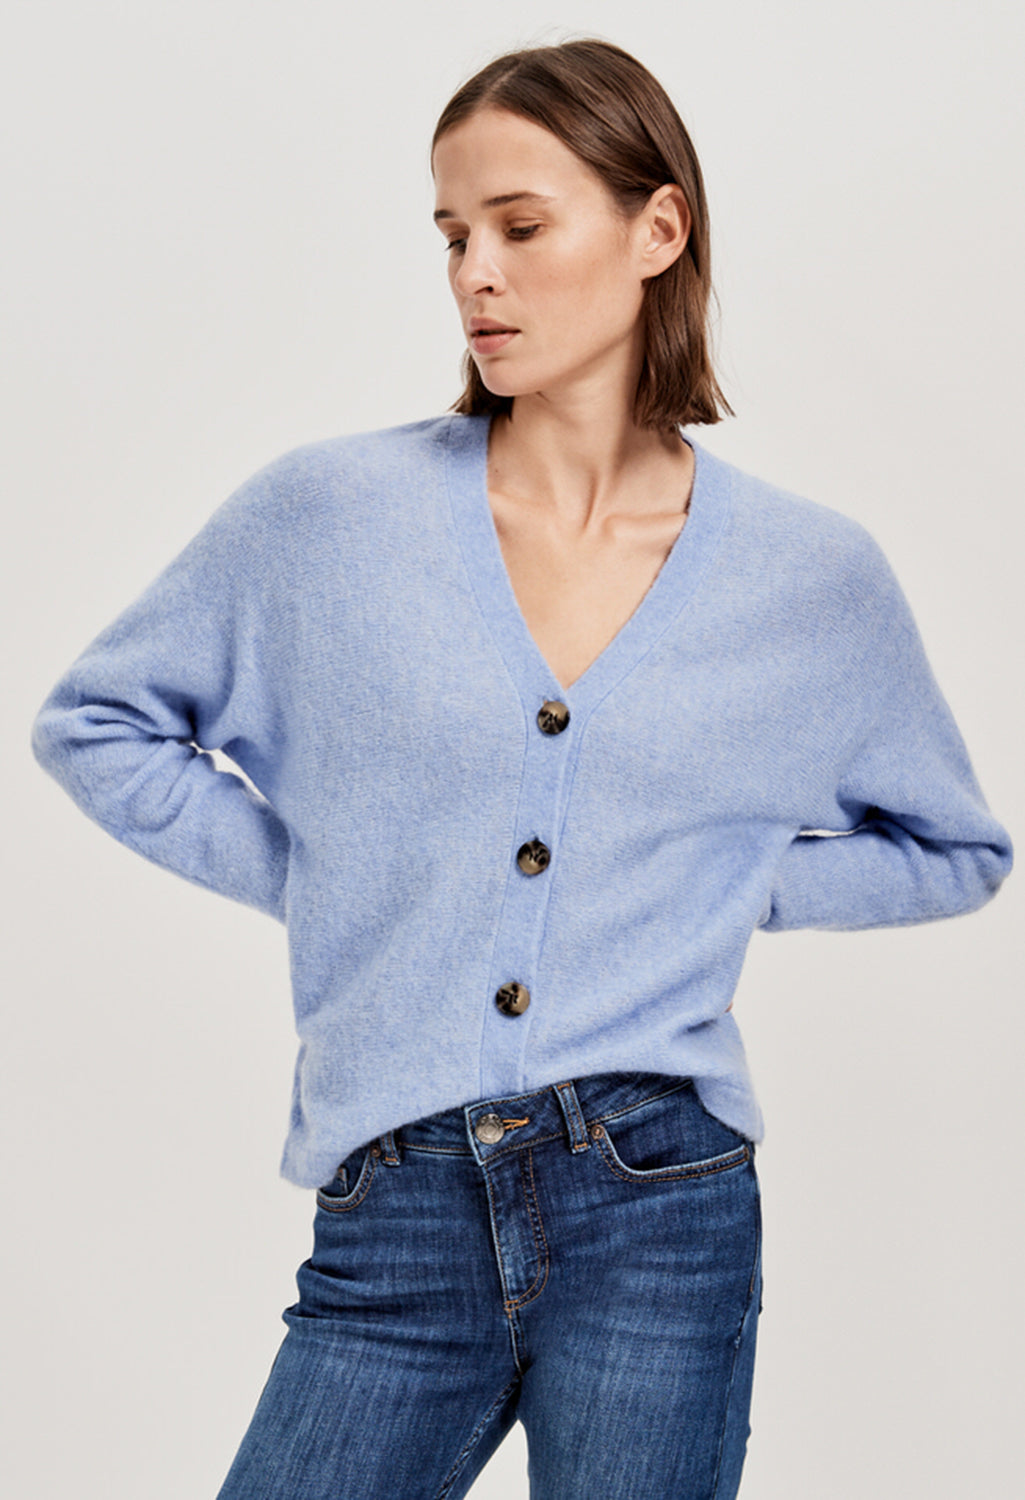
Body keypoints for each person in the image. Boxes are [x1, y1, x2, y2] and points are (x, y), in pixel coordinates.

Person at [30, 37, 1012, 1500]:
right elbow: (97, 724)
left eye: (521, 227)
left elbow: (955, 850)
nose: (475, 275)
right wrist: (334, 878)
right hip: (396, 1204)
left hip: (659, 1200)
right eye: (452, 236)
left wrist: (717, 890)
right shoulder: (327, 518)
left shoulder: (810, 579)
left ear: (657, 230)